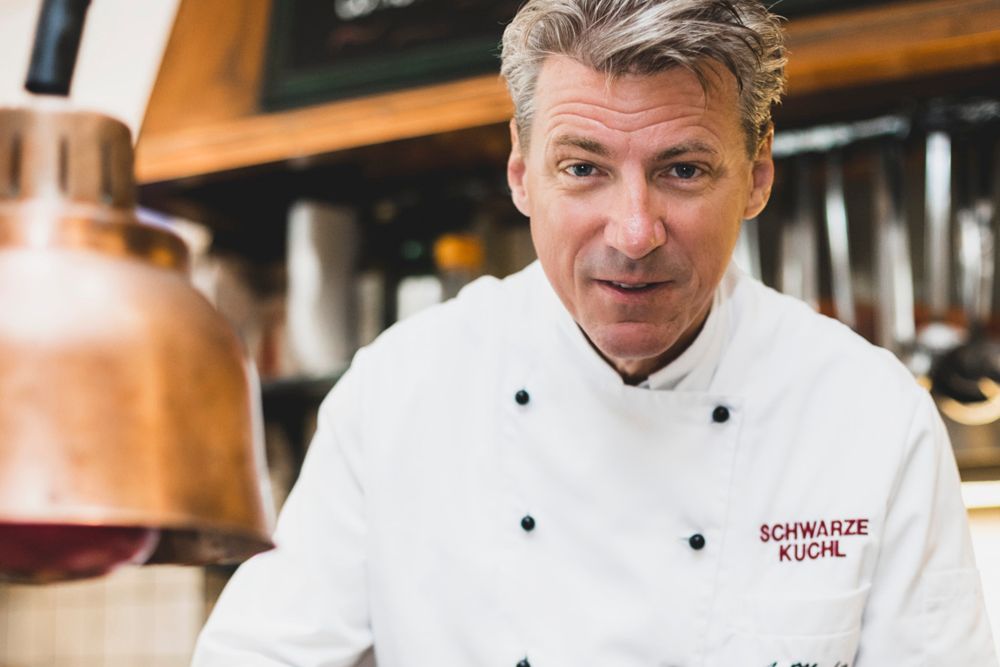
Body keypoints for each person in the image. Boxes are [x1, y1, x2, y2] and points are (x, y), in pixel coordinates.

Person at [192, 1, 998, 665]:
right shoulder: (401, 391)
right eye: (584, 168)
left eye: (683, 169)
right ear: (521, 173)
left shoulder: (869, 413)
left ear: (755, 174)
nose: (634, 230)